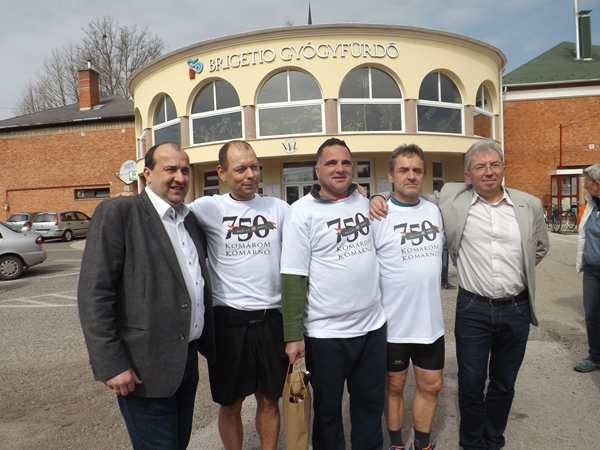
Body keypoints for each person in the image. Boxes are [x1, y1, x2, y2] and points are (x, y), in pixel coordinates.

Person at [371, 139, 549, 450]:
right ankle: (460, 443)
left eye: (494, 165)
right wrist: (374, 196)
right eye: (480, 167)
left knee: (500, 383)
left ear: (504, 169)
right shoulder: (446, 203)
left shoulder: (527, 204)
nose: (488, 172)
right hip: (467, 308)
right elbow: (403, 196)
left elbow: (541, 246)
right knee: (465, 384)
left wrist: (516, 272)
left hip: (513, 308)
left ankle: (488, 440)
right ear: (468, 175)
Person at [78, 142, 215, 449]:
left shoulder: (189, 220)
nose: (179, 177)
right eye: (170, 169)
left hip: (185, 361)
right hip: (143, 367)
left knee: (178, 443)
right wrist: (112, 364)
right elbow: (94, 294)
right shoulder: (119, 213)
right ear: (148, 175)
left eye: (185, 170)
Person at [281, 137, 387, 450]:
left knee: (370, 407)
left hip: (372, 329)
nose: (339, 169)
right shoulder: (301, 212)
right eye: (331, 163)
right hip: (326, 335)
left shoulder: (363, 201)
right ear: (317, 171)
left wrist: (375, 196)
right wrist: (293, 336)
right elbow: (293, 276)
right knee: (327, 412)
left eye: (345, 163)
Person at [188, 140, 289, 450]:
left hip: (272, 319)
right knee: (230, 404)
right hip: (228, 323)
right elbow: (165, 212)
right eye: (241, 169)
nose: (250, 175)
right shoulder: (207, 208)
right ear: (222, 173)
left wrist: (365, 195)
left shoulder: (279, 208)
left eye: (254, 167)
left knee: (270, 400)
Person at [371, 144, 444, 450]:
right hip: (393, 325)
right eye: (403, 170)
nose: (411, 176)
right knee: (394, 386)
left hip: (430, 323)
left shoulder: (434, 210)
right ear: (390, 175)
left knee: (432, 385)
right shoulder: (377, 215)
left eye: (417, 170)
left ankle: (421, 444)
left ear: (424, 175)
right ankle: (396, 444)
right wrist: (371, 196)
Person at [574, 163, 600, 372]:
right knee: (591, 314)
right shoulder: (590, 203)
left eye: (587, 182)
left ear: (597, 184)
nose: (584, 186)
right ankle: (596, 356)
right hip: (592, 269)